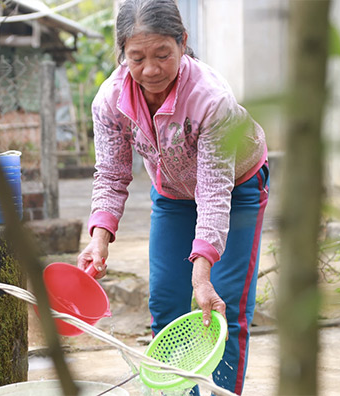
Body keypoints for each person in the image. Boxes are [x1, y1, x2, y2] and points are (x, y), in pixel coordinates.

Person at [77, 0, 269, 394]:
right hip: (172, 195)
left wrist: (202, 274)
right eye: (137, 57)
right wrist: (98, 241)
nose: (150, 69)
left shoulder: (210, 98)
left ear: (182, 42)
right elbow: (111, 174)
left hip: (236, 189)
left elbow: (215, 191)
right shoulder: (110, 101)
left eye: (163, 54)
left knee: (221, 309)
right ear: (122, 55)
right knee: (165, 306)